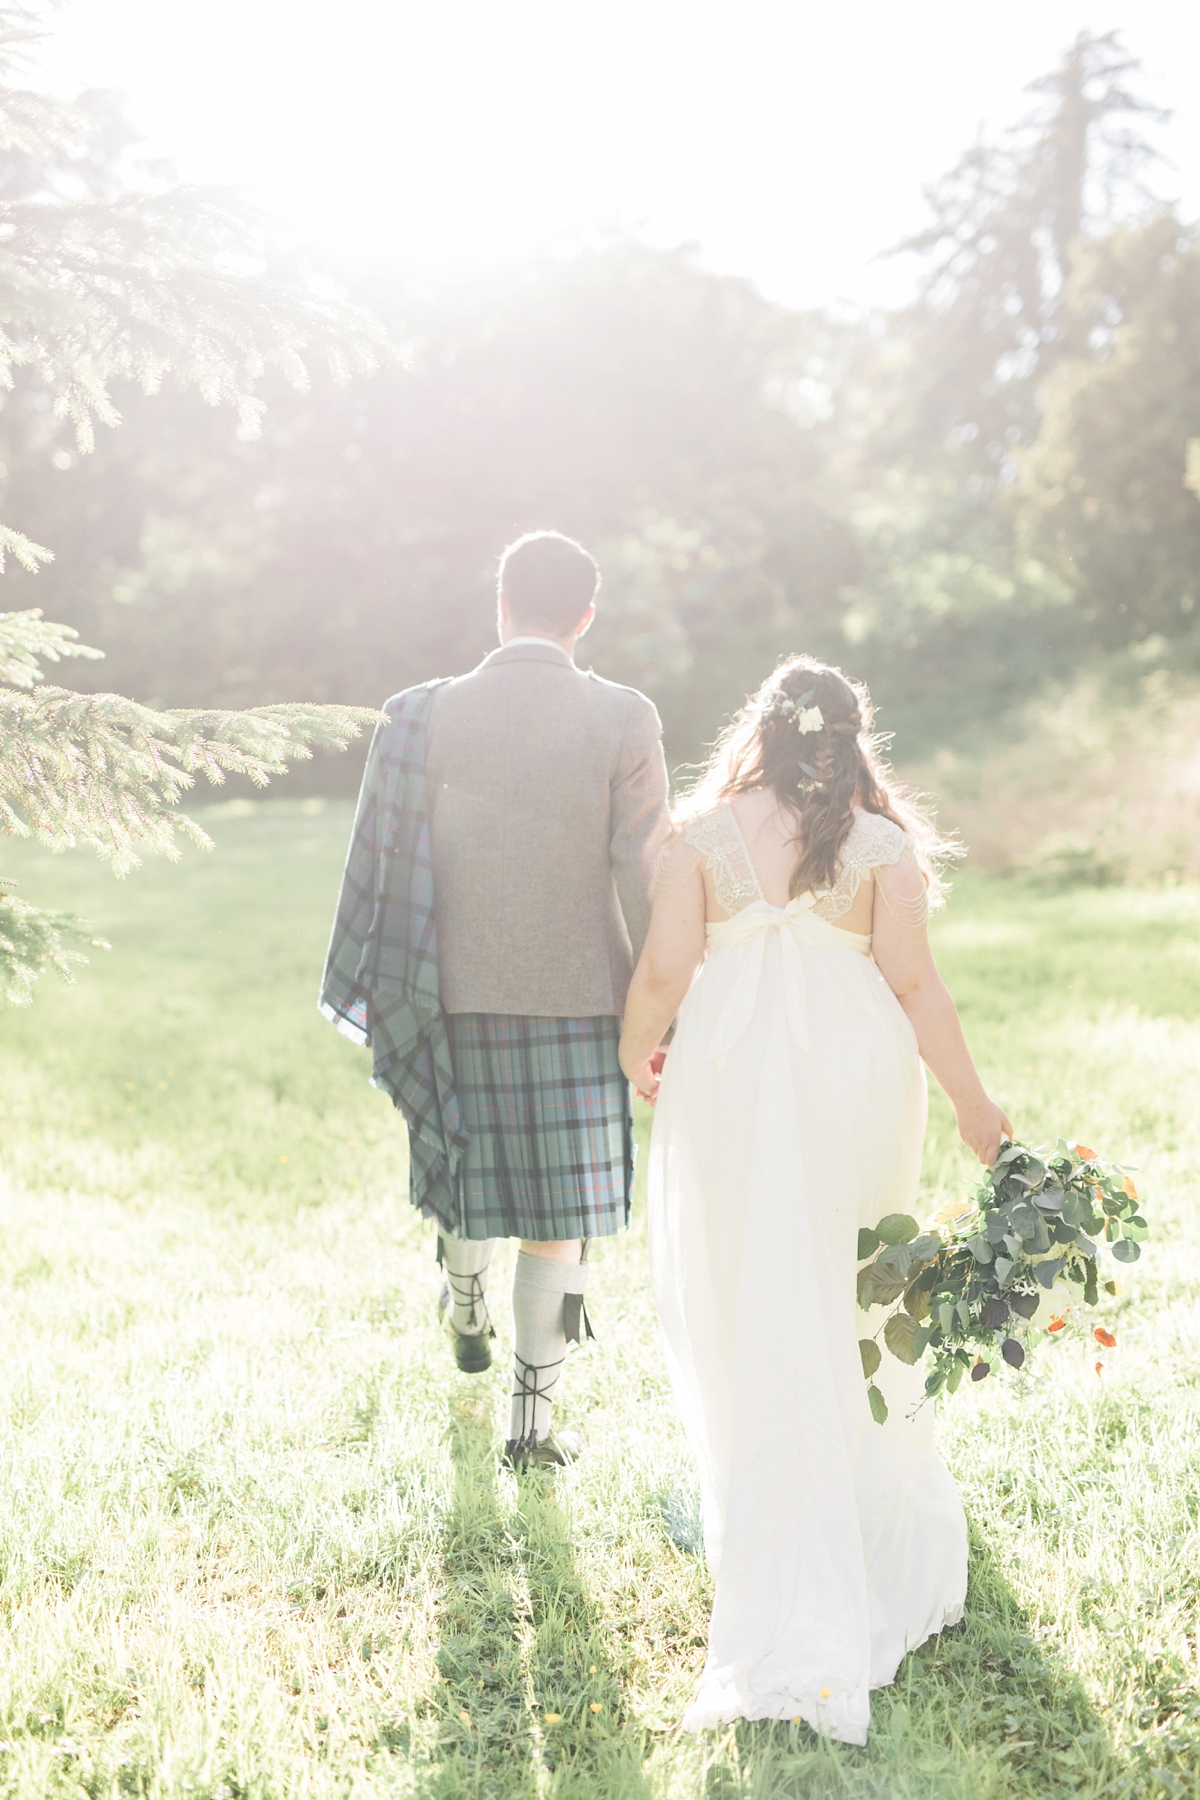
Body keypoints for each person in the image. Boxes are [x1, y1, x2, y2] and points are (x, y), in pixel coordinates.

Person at [618, 654, 1011, 1744]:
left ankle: (772, 1505)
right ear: (849, 738)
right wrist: (976, 1108)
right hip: (855, 1078)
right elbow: (915, 985)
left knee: (742, 1278)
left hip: (731, 1075)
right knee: (855, 1285)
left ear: (764, 729)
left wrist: (634, 1054)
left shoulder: (698, 839)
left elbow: (663, 971)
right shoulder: (881, 847)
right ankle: (852, 1494)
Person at [320, 530, 670, 1469]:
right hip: (582, 1001)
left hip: (449, 991)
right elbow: (647, 879)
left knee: (465, 1172)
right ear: (585, 617)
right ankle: (532, 1431)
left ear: (501, 603)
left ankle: (464, 1300)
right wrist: (664, 1004)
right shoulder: (625, 717)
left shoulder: (417, 714)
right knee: (558, 1219)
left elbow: (383, 865)